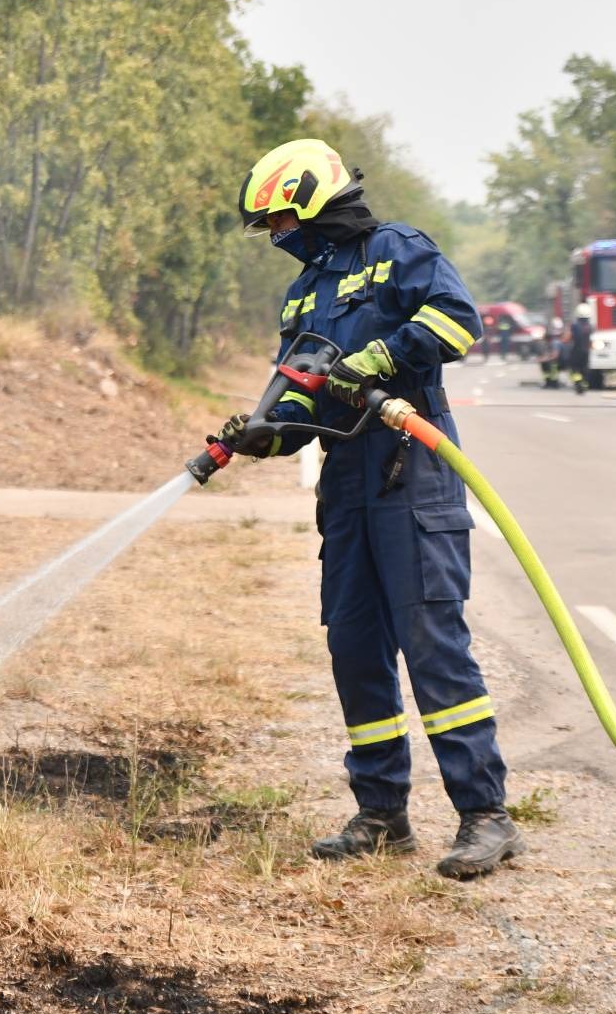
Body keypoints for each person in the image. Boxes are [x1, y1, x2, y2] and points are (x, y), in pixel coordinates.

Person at [218, 138, 523, 879]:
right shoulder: (302, 294)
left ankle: (485, 813)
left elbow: (457, 320)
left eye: (280, 220)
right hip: (347, 485)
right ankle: (382, 812)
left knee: (432, 643)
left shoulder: (397, 251)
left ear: (312, 203)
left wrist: (382, 358)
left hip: (410, 469)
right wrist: (265, 433)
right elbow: (300, 398)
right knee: (355, 646)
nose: (276, 235)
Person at [568, 302, 594, 394]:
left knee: (575, 368)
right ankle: (585, 384)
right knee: (585, 368)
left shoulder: (575, 325)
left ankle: (578, 383)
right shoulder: (591, 326)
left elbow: (569, 337)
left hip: (576, 350)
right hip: (586, 351)